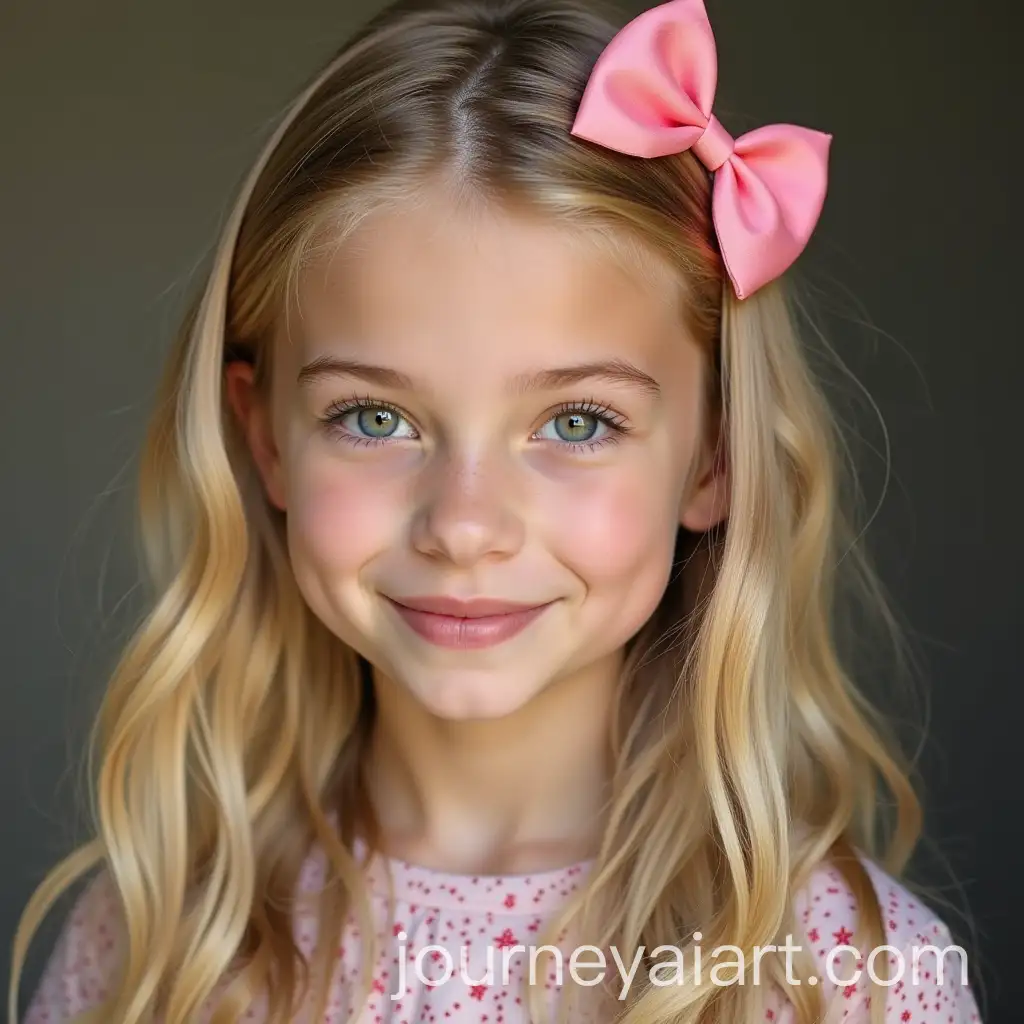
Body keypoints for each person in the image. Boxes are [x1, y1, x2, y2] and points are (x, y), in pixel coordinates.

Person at [9, 0, 984, 1021]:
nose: (465, 525)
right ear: (264, 439)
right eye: (374, 416)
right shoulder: (158, 936)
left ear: (713, 455)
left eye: (574, 423)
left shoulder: (847, 975)